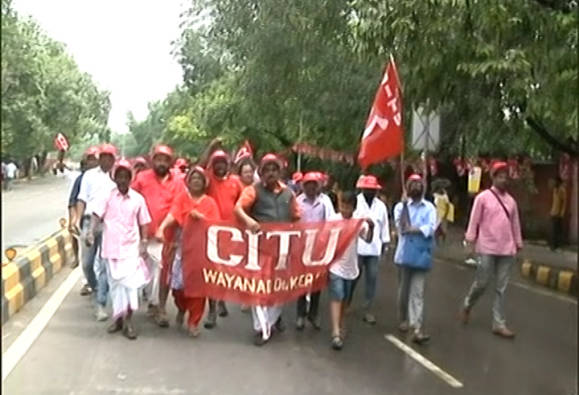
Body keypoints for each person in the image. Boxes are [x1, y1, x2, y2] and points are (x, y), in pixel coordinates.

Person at [234, 153, 301, 346]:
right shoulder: (252, 190)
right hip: (260, 249)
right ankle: (261, 329)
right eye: (267, 170)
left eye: (274, 169)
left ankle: (270, 323)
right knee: (259, 288)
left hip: (283, 250)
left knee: (279, 290)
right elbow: (238, 209)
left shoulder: (289, 193)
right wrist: (250, 221)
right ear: (261, 173)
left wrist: (299, 240)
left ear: (279, 172)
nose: (271, 173)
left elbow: (297, 217)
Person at [87, 159, 151, 340]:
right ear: (115, 179)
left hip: (130, 249)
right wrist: (91, 233)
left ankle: (129, 321)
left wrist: (144, 242)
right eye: (119, 177)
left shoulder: (138, 199)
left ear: (131, 179)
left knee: (130, 287)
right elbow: (96, 215)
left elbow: (144, 222)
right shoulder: (107, 196)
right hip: (111, 249)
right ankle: (118, 319)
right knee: (115, 288)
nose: (122, 180)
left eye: (126, 177)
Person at [460, 161, 523, 339]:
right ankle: (468, 304)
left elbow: (515, 224)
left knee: (501, 288)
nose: (504, 180)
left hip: (507, 249)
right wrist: (470, 242)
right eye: (500, 176)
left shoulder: (511, 202)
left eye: (506, 177)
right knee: (482, 283)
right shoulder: (483, 198)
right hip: (486, 247)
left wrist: (518, 243)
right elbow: (474, 221)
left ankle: (499, 323)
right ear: (493, 178)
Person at [156, 166, 220, 337]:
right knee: (178, 287)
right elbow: (173, 215)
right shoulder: (182, 198)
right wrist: (162, 228)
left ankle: (194, 321)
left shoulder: (210, 202)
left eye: (200, 178)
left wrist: (202, 219)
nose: (196, 181)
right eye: (193, 178)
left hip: (201, 250)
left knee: (198, 288)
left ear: (205, 182)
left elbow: (216, 227)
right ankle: (181, 307)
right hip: (181, 248)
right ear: (188, 182)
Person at [131, 144, 183, 328]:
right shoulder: (142, 178)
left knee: (164, 275)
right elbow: (131, 202)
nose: (161, 163)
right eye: (158, 159)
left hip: (167, 238)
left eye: (165, 160)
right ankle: (142, 304)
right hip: (143, 236)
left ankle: (160, 307)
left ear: (170, 162)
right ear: (152, 160)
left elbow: (179, 207)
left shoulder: (177, 182)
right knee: (143, 273)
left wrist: (174, 235)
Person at [202, 147, 244, 328]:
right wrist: (211, 147)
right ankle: (211, 311)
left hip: (231, 235)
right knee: (212, 272)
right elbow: (199, 167)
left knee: (225, 271)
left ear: (228, 164)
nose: (220, 166)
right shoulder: (208, 179)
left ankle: (221, 300)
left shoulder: (236, 182)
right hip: (211, 234)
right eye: (216, 162)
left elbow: (245, 202)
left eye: (223, 162)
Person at [393, 174, 437, 345]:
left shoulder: (429, 208)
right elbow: (402, 228)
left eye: (419, 184)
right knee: (404, 290)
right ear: (407, 187)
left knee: (417, 292)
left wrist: (416, 229)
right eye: (413, 184)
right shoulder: (400, 207)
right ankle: (403, 318)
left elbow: (431, 228)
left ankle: (416, 327)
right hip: (404, 254)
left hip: (421, 255)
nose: (416, 186)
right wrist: (404, 205)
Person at [76, 144, 117, 320]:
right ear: (99, 158)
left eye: (110, 157)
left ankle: (100, 304)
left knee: (105, 264)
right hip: (89, 222)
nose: (106, 160)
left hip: (109, 224)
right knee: (87, 263)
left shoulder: (118, 177)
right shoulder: (89, 176)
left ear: (114, 160)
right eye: (104, 156)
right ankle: (96, 289)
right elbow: (82, 198)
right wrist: (78, 220)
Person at [328, 191, 374, 350]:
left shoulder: (357, 223)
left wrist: (372, 227)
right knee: (337, 295)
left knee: (345, 298)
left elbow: (367, 239)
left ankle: (341, 323)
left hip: (351, 266)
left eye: (347, 206)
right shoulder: (333, 220)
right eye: (342, 205)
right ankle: (335, 332)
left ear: (353, 208)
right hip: (335, 266)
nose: (344, 209)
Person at [295, 171, 335, 331]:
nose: (310, 188)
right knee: (301, 283)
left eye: (314, 185)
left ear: (318, 187)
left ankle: (314, 313)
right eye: (308, 185)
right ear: (303, 186)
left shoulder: (325, 202)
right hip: (302, 247)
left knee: (317, 282)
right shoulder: (297, 202)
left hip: (319, 248)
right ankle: (300, 315)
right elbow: (293, 221)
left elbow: (331, 222)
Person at [348, 174, 390, 324]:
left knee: (372, 279)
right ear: (363, 189)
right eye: (368, 189)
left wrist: (386, 245)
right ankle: (347, 302)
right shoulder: (356, 202)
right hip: (357, 247)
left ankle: (368, 309)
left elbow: (384, 227)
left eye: (373, 190)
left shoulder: (381, 206)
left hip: (374, 249)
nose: (370, 192)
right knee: (353, 277)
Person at [68, 146, 99, 267]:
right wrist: (74, 219)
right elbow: (73, 200)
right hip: (86, 219)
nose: (92, 162)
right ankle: (76, 258)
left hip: (104, 220)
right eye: (89, 159)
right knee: (87, 258)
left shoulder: (108, 177)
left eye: (94, 159)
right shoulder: (81, 178)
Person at [432, 179, 452, 244]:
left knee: (443, 228)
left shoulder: (445, 196)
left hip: (443, 213)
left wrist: (446, 214)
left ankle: (443, 238)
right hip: (436, 213)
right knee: (436, 227)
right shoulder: (434, 194)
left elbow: (447, 205)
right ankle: (437, 240)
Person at [549, 176, 567, 251]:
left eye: (555, 181)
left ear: (558, 182)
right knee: (553, 230)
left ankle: (557, 246)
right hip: (553, 212)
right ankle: (553, 245)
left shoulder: (562, 190)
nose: (554, 183)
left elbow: (564, 202)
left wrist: (562, 213)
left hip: (558, 214)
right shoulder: (555, 189)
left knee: (557, 231)